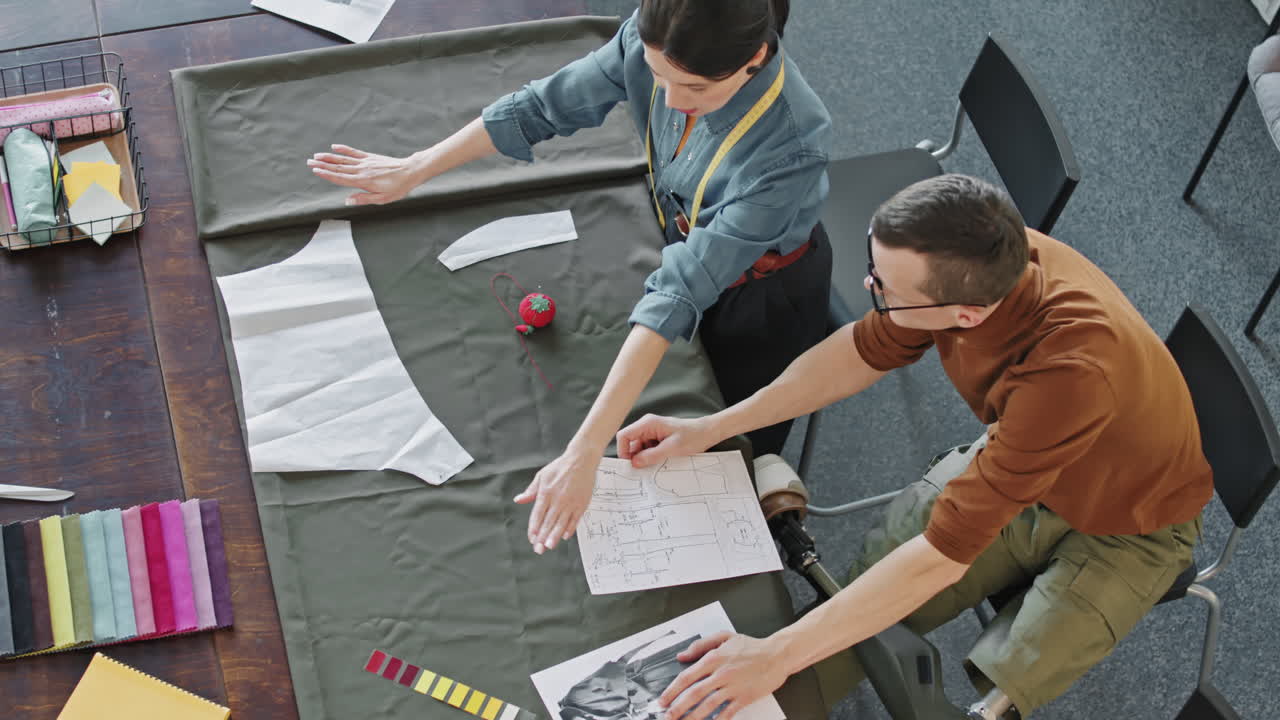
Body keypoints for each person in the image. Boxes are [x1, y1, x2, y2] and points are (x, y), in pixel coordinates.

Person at [613, 174, 1213, 719]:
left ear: (966, 315)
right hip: (1023, 461)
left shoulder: (1072, 372)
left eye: (885, 288)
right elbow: (859, 351)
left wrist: (776, 655)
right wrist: (714, 428)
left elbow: (940, 556)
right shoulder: (976, 261)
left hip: (1132, 524)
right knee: (853, 610)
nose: (871, 289)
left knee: (1007, 678)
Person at [308, 0, 833, 555]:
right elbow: (546, 104)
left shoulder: (790, 145)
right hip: (680, 235)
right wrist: (416, 167)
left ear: (753, 59)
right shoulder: (653, 36)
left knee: (724, 455)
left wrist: (584, 450)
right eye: (658, 79)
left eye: (697, 91)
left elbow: (680, 289)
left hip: (763, 297)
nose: (674, 104)